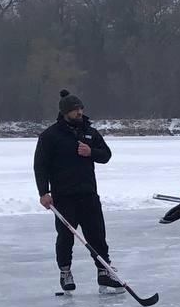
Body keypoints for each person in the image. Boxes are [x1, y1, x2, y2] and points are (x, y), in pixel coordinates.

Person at [34, 89, 119, 293]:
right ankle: (65, 272)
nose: (79, 113)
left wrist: (91, 152)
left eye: (81, 109)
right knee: (66, 237)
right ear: (65, 113)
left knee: (97, 234)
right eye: (75, 110)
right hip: (63, 196)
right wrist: (43, 193)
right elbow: (40, 166)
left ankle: (104, 271)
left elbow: (106, 155)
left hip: (88, 193)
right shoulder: (50, 136)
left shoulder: (90, 132)